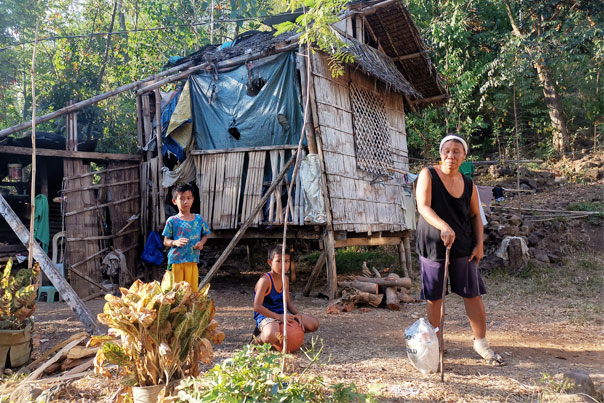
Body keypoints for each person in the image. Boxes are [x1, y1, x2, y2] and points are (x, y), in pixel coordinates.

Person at [415, 134, 506, 366]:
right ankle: (437, 342)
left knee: (472, 294)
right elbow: (423, 207)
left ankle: (481, 343)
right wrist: (443, 225)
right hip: (433, 243)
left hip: (463, 244)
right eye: (447, 150)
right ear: (440, 153)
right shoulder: (428, 175)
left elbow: (476, 215)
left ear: (464, 156)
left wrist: (480, 244)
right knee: (435, 295)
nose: (451, 155)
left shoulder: (468, 183)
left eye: (457, 151)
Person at [253, 245, 319, 345]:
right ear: (270, 262)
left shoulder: (285, 279)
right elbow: (257, 307)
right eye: (279, 261)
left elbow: (287, 302)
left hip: (282, 314)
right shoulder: (265, 280)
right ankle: (257, 340)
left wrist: (298, 314)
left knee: (314, 324)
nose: (283, 265)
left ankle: (282, 333)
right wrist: (278, 317)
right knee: (271, 335)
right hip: (267, 316)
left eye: (286, 261)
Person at [162, 183, 210, 292]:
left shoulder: (198, 219)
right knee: (174, 292)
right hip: (176, 261)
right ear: (174, 201)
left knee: (191, 292)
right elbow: (166, 241)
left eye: (188, 198)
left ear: (193, 199)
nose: (185, 202)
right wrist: (175, 242)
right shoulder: (172, 220)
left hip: (192, 260)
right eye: (182, 199)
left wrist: (201, 243)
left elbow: (205, 235)